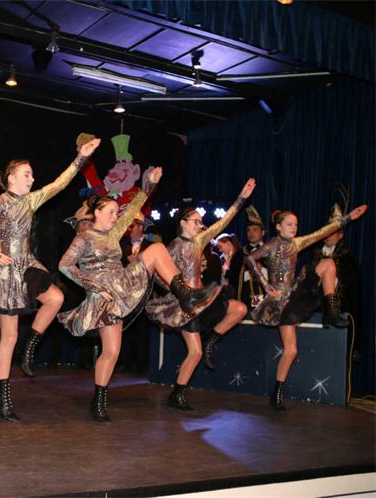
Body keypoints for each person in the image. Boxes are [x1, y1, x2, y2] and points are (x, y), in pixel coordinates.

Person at [58, 168, 222, 422]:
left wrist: (149, 184)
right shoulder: (84, 237)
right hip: (104, 297)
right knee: (112, 351)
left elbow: (135, 205)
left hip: (123, 285)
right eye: (111, 212)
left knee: (156, 249)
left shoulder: (114, 233)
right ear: (97, 213)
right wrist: (92, 285)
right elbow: (64, 265)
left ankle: (185, 294)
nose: (115, 217)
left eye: (116, 213)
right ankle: (98, 402)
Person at [0, 138, 101, 422]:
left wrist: (80, 158)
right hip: (6, 272)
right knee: (8, 336)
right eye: (27, 174)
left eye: (32, 175)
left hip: (28, 265)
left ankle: (30, 345)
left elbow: (59, 184)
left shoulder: (31, 200)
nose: (32, 179)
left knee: (56, 298)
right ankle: (2, 397)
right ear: (11, 177)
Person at [146, 179, 256, 410]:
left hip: (204, 299)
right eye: (195, 221)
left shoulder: (200, 241)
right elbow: (156, 276)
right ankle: (177, 394)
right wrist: (178, 286)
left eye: (200, 221)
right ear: (183, 223)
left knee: (239, 309)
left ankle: (211, 342)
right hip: (187, 305)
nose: (200, 224)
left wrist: (241, 198)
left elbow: (224, 221)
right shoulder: (172, 247)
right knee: (194, 353)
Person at [245, 204, 368, 409]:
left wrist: (348, 218)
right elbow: (249, 258)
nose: (294, 228)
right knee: (291, 350)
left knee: (328, 264)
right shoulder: (272, 244)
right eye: (289, 224)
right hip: (279, 303)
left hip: (295, 293)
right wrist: (265, 285)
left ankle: (331, 311)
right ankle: (277, 392)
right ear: (278, 227)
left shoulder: (297, 243)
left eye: (296, 224)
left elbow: (322, 232)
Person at [119, 212, 154, 374]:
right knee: (125, 328)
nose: (129, 229)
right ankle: (125, 362)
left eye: (132, 226)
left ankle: (142, 364)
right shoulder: (121, 245)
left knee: (142, 330)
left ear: (140, 227)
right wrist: (127, 262)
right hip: (125, 294)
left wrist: (140, 263)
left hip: (144, 294)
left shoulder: (151, 246)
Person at [238, 206, 267, 309]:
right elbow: (234, 276)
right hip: (246, 299)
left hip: (267, 298)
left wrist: (263, 270)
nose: (251, 233)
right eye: (248, 230)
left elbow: (280, 273)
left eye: (255, 230)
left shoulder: (270, 251)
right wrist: (247, 273)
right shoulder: (240, 253)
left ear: (262, 232)